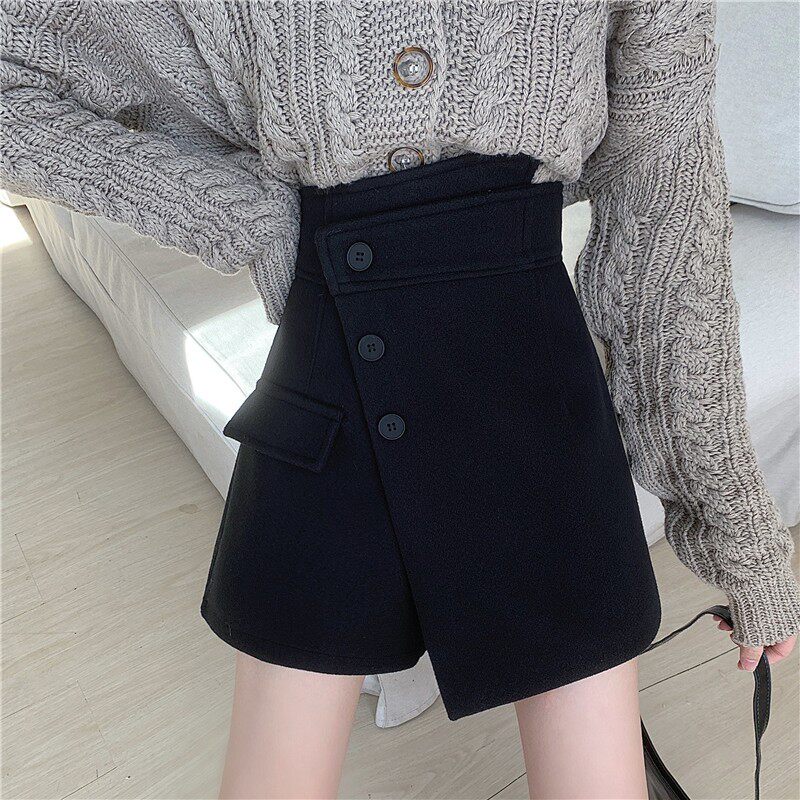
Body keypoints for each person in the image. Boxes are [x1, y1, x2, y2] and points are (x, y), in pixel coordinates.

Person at [2, 2, 798, 798]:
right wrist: (237, 214)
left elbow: (668, 244)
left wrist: (738, 533)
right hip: (330, 385)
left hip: (531, 391)